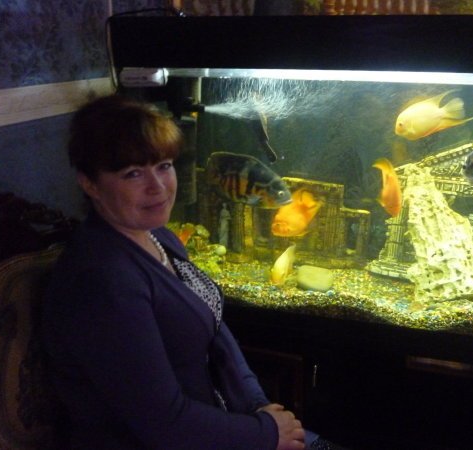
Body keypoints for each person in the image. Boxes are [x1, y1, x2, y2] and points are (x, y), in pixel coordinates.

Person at [41, 95, 341, 449]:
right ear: (90, 183)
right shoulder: (102, 281)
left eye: (164, 166)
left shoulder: (159, 237)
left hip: (225, 426)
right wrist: (266, 433)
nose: (157, 187)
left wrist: (259, 406)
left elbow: (217, 333)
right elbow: (162, 422)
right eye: (133, 173)